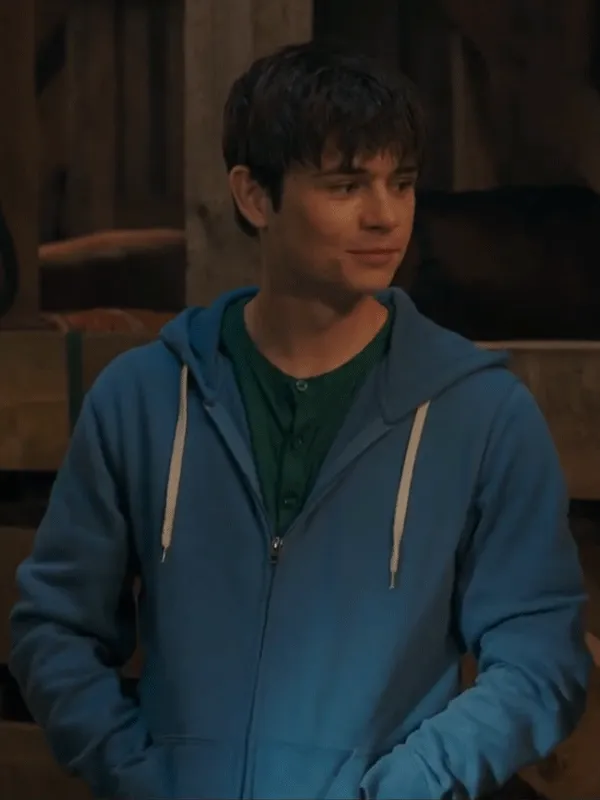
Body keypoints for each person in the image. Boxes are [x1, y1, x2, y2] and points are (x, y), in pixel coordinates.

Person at [10, 41, 591, 800]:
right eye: (347, 184)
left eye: (401, 182)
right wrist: (140, 776)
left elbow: (540, 654)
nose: (385, 215)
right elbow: (54, 628)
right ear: (255, 197)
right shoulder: (143, 399)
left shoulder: (483, 414)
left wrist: (412, 782)